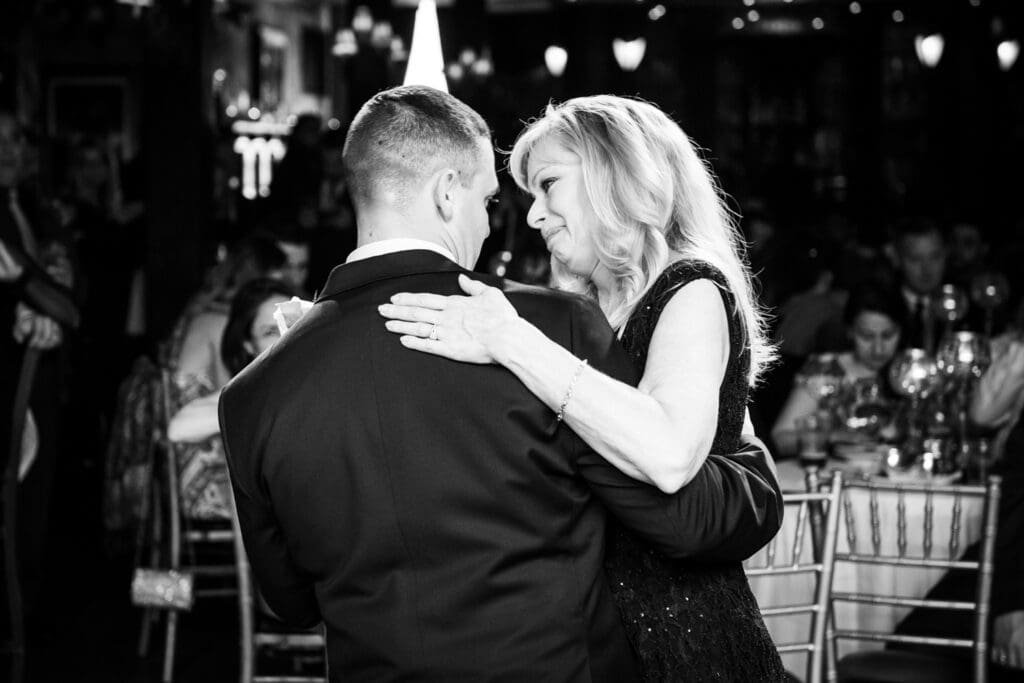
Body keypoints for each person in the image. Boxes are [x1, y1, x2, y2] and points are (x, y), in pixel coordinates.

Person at [219, 86, 783, 682]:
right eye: (491, 199)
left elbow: (289, 600)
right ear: (445, 193)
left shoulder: (254, 394)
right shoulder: (555, 326)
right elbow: (680, 516)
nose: (509, 221)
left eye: (545, 187)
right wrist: (754, 469)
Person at [167, 277, 298, 519]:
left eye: (291, 324)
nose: (284, 336)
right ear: (249, 345)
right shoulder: (249, 392)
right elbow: (178, 429)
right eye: (270, 331)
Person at [771, 283, 904, 456]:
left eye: (888, 336)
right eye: (866, 336)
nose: (878, 349)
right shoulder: (826, 371)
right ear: (849, 331)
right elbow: (781, 439)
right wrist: (831, 437)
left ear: (902, 331)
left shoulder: (912, 374)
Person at [890, 217, 947, 351]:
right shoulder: (882, 306)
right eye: (915, 259)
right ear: (897, 259)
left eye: (935, 257)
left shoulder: (964, 307)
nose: (927, 269)